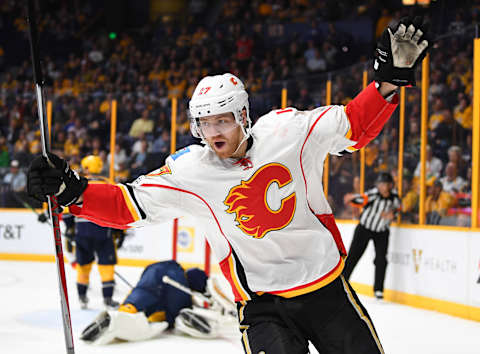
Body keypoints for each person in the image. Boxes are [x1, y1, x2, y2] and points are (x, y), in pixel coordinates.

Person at [27, 17, 429, 354]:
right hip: (262, 306)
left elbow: (354, 126)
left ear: (243, 116)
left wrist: (388, 82)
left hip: (326, 290)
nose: (214, 132)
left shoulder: (291, 130)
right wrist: (72, 191)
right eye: (205, 122)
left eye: (223, 120)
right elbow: (129, 204)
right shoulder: (191, 171)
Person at [80, 261, 231, 344]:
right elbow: (190, 293)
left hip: (154, 275)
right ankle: (184, 320)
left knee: (137, 300)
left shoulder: (172, 265)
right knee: (169, 316)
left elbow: (146, 284)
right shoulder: (189, 281)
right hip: (173, 284)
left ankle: (116, 316)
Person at [67, 155, 122, 310]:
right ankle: (108, 299)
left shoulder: (77, 185)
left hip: (82, 233)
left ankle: (82, 297)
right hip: (103, 232)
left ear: (86, 167)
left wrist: (70, 229)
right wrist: (119, 232)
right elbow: (118, 208)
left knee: (83, 267)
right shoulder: (109, 184)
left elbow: (67, 212)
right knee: (106, 266)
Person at [342, 172, 401, 300]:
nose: (381, 187)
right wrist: (351, 198)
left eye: (384, 184)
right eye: (380, 184)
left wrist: (393, 215)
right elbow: (361, 199)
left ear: (390, 185)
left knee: (381, 260)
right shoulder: (374, 194)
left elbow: (398, 209)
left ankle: (378, 290)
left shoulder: (395, 197)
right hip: (364, 228)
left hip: (382, 231)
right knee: (353, 257)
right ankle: (342, 284)